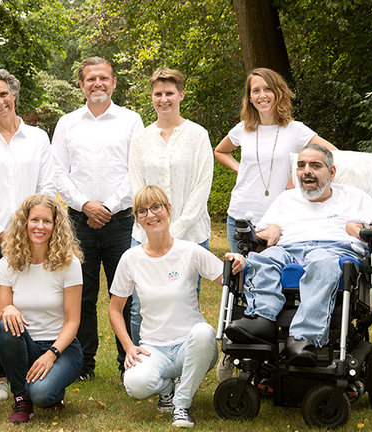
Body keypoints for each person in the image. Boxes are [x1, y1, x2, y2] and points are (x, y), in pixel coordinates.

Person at [224, 144, 372, 366]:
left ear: (331, 172)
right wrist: (268, 232)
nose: (306, 171)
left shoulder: (355, 197)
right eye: (301, 165)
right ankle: (262, 320)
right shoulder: (285, 199)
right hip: (288, 249)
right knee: (262, 259)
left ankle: (304, 337)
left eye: (315, 165)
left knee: (322, 262)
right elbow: (260, 241)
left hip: (333, 250)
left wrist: (362, 228)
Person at [109, 185, 244, 429]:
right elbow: (115, 309)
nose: (151, 215)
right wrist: (129, 346)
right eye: (142, 211)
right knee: (135, 385)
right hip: (153, 349)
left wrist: (238, 262)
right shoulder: (130, 258)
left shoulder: (189, 251)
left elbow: (230, 279)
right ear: (137, 219)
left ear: (168, 209)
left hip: (190, 346)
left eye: (156, 207)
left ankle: (181, 404)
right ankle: (167, 389)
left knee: (203, 332)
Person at [0, 69, 56, 401]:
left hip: (35, 235)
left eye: (3, 94)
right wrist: (0, 234)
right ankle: (3, 376)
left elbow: (47, 187)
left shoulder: (38, 138)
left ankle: (35, 366)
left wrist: (33, 228)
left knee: (33, 301)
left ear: (14, 95)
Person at [52, 56, 144, 380]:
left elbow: (137, 170)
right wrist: (85, 205)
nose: (97, 84)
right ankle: (83, 365)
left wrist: (107, 207)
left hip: (121, 222)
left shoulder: (131, 121)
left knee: (125, 294)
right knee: (81, 294)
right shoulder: (67, 123)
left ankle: (128, 362)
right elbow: (58, 172)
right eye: (90, 79)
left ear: (114, 82)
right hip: (78, 223)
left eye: (103, 78)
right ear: (81, 85)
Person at [127, 67, 213, 346]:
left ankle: (185, 361)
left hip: (190, 234)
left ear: (181, 95)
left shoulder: (198, 135)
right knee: (140, 306)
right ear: (152, 97)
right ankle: (140, 360)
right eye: (158, 94)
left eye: (169, 93)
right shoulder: (140, 140)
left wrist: (175, 229)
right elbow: (137, 188)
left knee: (186, 303)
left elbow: (202, 187)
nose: (163, 99)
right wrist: (153, 227)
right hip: (145, 236)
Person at [213, 67, 337, 255]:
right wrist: (240, 169)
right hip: (240, 215)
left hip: (279, 220)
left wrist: (296, 174)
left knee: (272, 271)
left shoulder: (295, 129)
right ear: (249, 98)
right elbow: (220, 151)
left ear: (279, 93)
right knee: (239, 272)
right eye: (255, 90)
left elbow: (332, 153)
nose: (262, 95)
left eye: (268, 89)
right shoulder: (242, 129)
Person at [0, 194, 84, 424]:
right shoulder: (7, 263)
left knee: (42, 394)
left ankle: (48, 391)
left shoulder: (69, 263)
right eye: (34, 220)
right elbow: (0, 315)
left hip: (61, 348)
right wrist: (8, 309)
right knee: (5, 326)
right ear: (24, 222)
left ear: (56, 226)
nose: (40, 227)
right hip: (25, 345)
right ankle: (21, 399)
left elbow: (73, 321)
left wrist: (51, 355)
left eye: (47, 221)